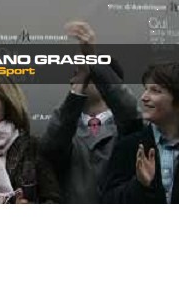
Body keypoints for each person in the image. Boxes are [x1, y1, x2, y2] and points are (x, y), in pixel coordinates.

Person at [40, 21, 142, 203]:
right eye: (75, 73)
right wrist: (80, 85)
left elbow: (129, 112)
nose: (77, 77)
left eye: (91, 74)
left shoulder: (128, 128)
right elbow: (51, 147)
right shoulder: (66, 128)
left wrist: (92, 59)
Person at [102, 62, 179, 204]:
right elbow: (108, 201)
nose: (144, 97)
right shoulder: (129, 146)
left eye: (155, 91)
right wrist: (139, 184)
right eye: (145, 89)